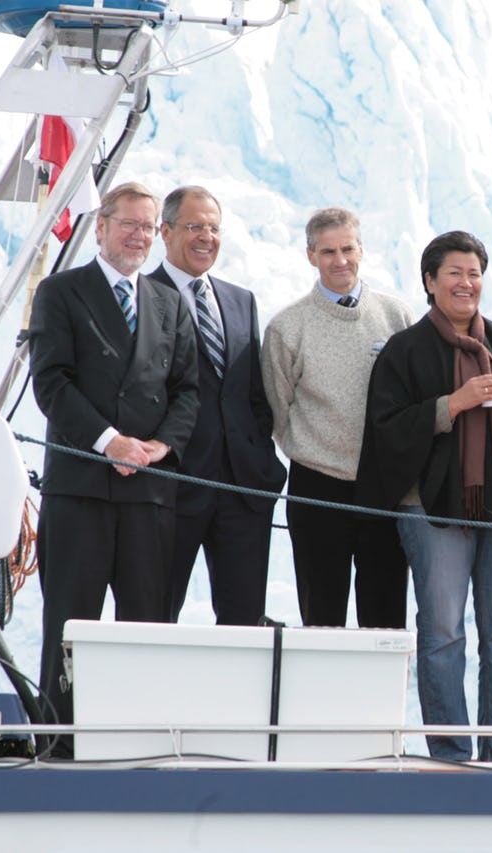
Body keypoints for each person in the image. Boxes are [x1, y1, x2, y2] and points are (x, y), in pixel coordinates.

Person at [357, 230, 492, 762]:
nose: (466, 283)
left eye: (474, 274)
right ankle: (449, 752)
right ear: (430, 281)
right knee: (443, 631)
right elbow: (386, 428)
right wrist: (453, 404)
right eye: (454, 273)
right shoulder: (405, 352)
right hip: (432, 509)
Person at [28, 181, 199, 748]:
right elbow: (52, 382)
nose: (138, 236)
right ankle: (56, 744)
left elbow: (187, 390)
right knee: (70, 625)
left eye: (148, 227)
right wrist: (109, 442)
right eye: (128, 224)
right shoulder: (61, 292)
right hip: (81, 487)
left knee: (145, 626)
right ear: (100, 227)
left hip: (148, 492)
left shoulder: (169, 303)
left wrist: (159, 448)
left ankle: (136, 743)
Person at [261, 208, 416, 628]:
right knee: (321, 615)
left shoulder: (396, 316)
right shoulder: (287, 327)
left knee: (385, 618)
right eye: (328, 251)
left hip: (382, 487)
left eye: (348, 248)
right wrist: (315, 449)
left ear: (361, 249)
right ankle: (319, 696)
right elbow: (278, 407)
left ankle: (379, 697)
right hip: (316, 487)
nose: (340, 259)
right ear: (310, 255)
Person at [148, 186, 286, 625]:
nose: (206, 236)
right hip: (172, 487)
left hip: (243, 490)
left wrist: (264, 466)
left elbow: (252, 394)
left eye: (213, 227)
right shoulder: (142, 295)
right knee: (154, 615)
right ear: (165, 232)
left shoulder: (239, 299)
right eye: (194, 226)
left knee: (244, 623)